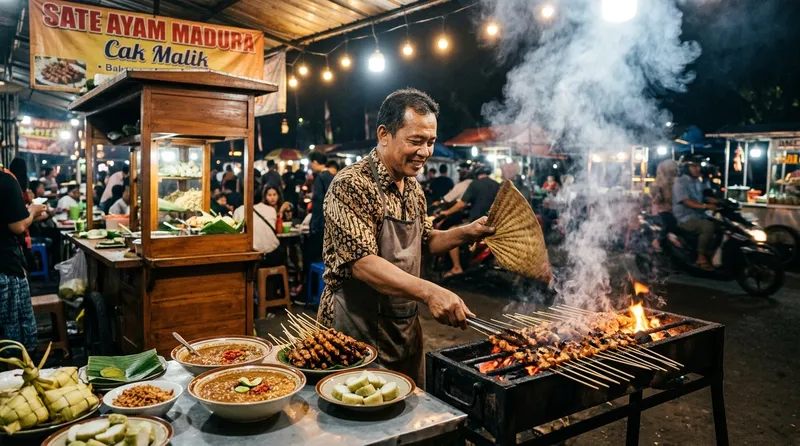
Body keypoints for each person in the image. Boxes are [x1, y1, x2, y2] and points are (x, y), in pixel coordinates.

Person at [316, 88, 494, 385]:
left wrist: (467, 232)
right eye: (415, 141)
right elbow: (362, 263)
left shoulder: (413, 188)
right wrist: (430, 292)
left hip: (403, 326)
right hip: (354, 327)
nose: (425, 152)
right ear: (384, 134)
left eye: (431, 142)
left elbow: (423, 241)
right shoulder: (351, 184)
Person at [1, 168, 47, 354]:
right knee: (14, 342)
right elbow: (18, 226)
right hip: (5, 268)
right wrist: (33, 211)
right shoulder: (5, 181)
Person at [437, 162, 501, 278]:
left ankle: (457, 267)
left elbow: (461, 204)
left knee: (452, 232)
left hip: (477, 222)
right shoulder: (497, 185)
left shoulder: (475, 184)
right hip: (494, 224)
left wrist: (446, 212)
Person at [672, 155, 719, 270]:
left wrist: (720, 202)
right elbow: (687, 202)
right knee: (708, 227)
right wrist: (706, 206)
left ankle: (712, 254)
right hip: (685, 218)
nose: (697, 169)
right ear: (686, 167)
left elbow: (705, 197)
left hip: (698, 215)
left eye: (698, 166)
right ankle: (700, 257)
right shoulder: (680, 182)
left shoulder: (698, 181)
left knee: (720, 226)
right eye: (693, 166)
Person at [234, 185, 282, 266]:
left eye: (274, 195)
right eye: (269, 195)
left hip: (253, 253)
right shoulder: (271, 210)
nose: (272, 198)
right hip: (272, 252)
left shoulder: (239, 210)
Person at [308, 151, 334, 263]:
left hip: (321, 225)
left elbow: (318, 203)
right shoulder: (332, 176)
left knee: (316, 257)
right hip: (332, 221)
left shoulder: (320, 178)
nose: (311, 166)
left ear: (315, 162)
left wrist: (314, 226)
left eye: (311, 163)